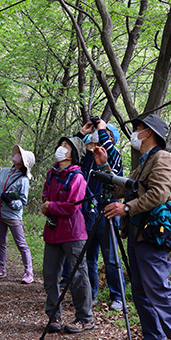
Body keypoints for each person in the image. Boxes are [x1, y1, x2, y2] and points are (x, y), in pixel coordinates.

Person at [99, 114, 171, 340]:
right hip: (138, 234)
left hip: (153, 235)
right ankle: (155, 339)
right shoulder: (144, 162)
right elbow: (125, 188)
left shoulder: (164, 159)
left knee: (158, 289)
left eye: (138, 128)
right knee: (140, 289)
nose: (135, 132)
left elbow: (160, 193)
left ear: (149, 132)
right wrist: (105, 167)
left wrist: (127, 209)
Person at [41, 136, 94, 334]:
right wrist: (47, 205)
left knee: (79, 276)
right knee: (50, 276)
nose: (61, 149)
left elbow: (72, 206)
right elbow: (46, 195)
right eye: (61, 145)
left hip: (73, 232)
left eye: (66, 146)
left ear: (74, 154)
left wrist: (50, 207)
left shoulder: (77, 176)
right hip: (53, 230)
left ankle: (85, 318)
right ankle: (53, 316)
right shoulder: (52, 173)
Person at [75, 118, 126, 311]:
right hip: (88, 211)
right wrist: (81, 134)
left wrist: (102, 129)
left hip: (109, 211)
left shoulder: (114, 155)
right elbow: (69, 152)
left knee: (111, 257)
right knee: (88, 257)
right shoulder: (88, 156)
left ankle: (118, 297)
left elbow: (110, 153)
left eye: (104, 134)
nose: (99, 135)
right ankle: (91, 293)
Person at [0, 146, 35, 284]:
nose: (17, 157)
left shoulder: (24, 180)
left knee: (21, 244)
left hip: (13, 216)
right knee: (0, 242)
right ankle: (0, 269)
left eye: (20, 156)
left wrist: (10, 202)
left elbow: (23, 202)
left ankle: (28, 272)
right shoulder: (3, 172)